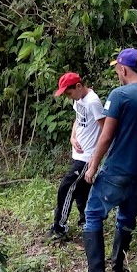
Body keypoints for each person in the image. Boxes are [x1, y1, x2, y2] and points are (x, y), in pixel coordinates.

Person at [78, 48, 137, 272]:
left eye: (117, 69)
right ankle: (118, 267)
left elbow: (106, 136)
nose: (117, 73)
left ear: (123, 69)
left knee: (93, 214)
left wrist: (92, 165)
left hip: (116, 170)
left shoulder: (120, 95)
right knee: (126, 218)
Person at [49, 72, 104, 239]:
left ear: (78, 86)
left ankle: (59, 227)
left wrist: (95, 160)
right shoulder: (79, 99)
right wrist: (73, 137)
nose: (68, 96)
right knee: (81, 190)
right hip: (79, 153)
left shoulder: (93, 102)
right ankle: (86, 221)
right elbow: (78, 119)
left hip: (87, 157)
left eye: (69, 92)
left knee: (66, 188)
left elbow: (105, 129)